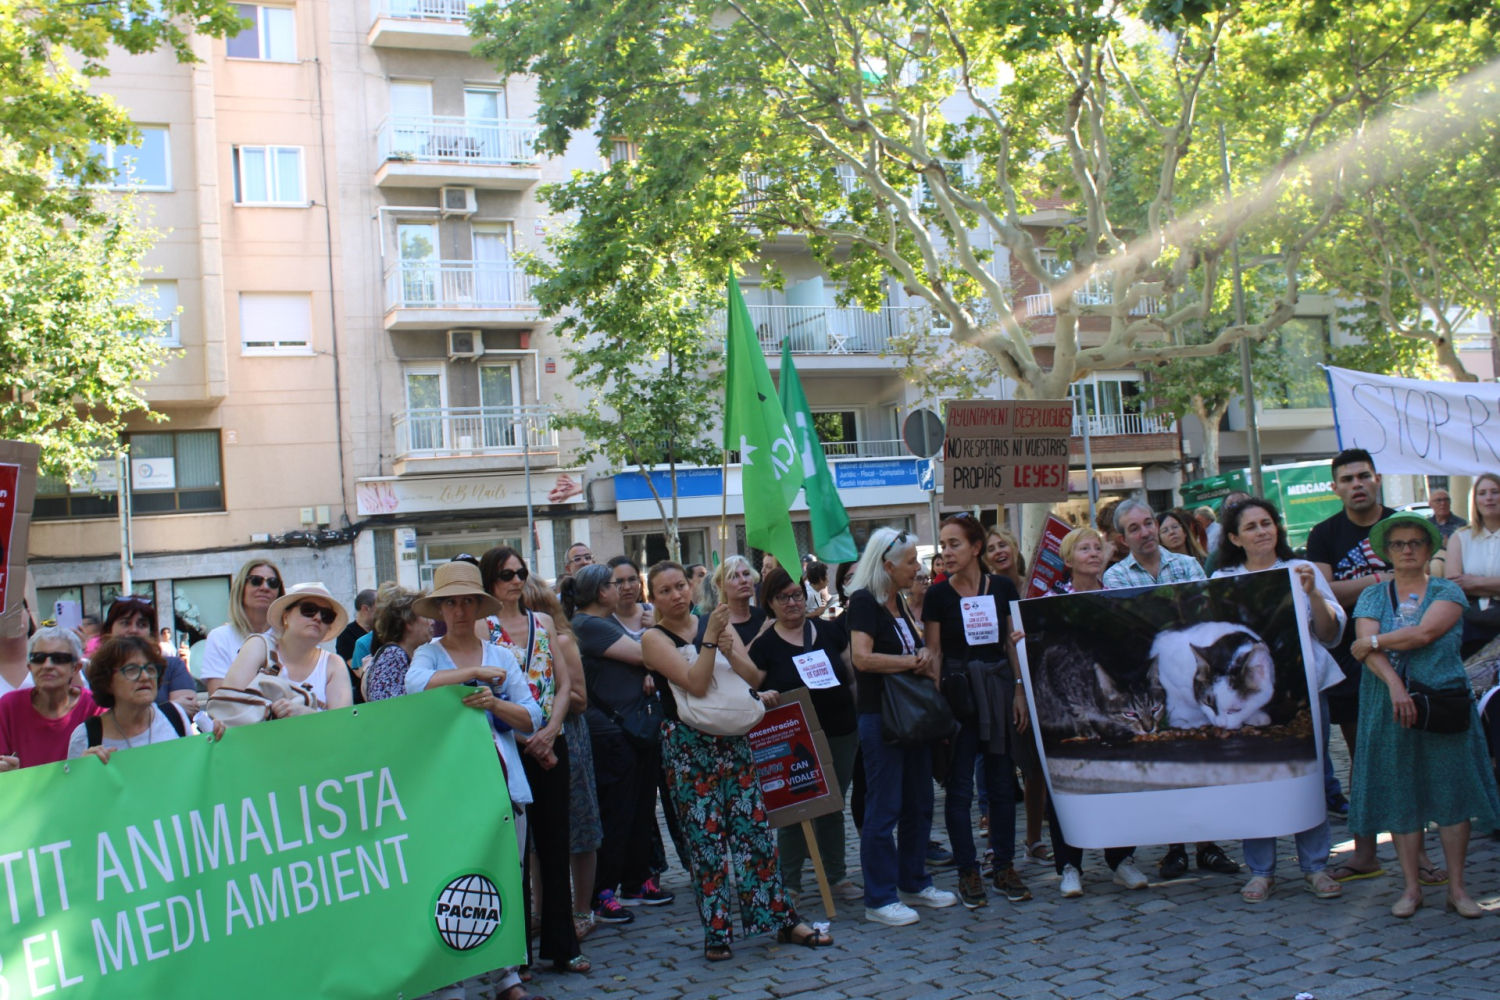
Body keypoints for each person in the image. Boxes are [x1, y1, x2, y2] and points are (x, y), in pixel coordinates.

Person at [641, 561, 831, 960]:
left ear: (690, 588)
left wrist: (728, 646)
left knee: (753, 832)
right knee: (706, 841)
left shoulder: (714, 621)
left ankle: (781, 918)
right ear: (653, 598)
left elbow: (751, 678)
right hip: (689, 747)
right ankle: (717, 932)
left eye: (680, 586)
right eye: (665, 591)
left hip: (733, 740)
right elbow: (695, 683)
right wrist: (711, 641)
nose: (676, 595)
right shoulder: (654, 639)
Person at [1347, 513, 1500, 918]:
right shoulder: (1373, 596)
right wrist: (1395, 686)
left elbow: (1423, 634)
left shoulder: (1448, 590)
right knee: (1402, 794)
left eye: (1415, 542)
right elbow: (1367, 654)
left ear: (1429, 549)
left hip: (1443, 701)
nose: (1407, 550)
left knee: (1452, 794)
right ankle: (1411, 888)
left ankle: (1458, 889)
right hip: (1388, 705)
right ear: (1387, 551)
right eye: (1399, 544)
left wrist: (1374, 640)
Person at [404, 560, 544, 1000]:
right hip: (450, 786)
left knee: (508, 873)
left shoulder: (500, 656)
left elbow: (532, 716)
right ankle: (453, 980)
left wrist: (494, 704)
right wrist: (471, 676)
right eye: (451, 602)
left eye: (468, 601)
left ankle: (507, 976)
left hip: (502, 780)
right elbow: (414, 686)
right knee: (451, 877)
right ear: (440, 610)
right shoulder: (429, 654)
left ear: (479, 607)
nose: (460, 610)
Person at [1306, 449, 1442, 882]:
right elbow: (1326, 593)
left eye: (1363, 476)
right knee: (1362, 757)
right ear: (1335, 488)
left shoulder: (1404, 524)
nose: (1357, 485)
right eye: (1347, 479)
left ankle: (1420, 857)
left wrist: (1362, 587)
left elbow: (1425, 582)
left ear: (1377, 479)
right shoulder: (1324, 534)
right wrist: (1382, 579)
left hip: (1411, 655)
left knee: (1411, 758)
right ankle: (1364, 853)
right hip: (1351, 658)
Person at [1212, 499, 1346, 903]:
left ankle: (1315, 866)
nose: (1261, 531)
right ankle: (1261, 870)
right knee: (1254, 777)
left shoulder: (1301, 570)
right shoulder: (1223, 579)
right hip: (1248, 700)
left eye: (1266, 523)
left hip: (1305, 690)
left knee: (1310, 773)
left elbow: (1329, 633)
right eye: (1251, 527)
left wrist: (1314, 594)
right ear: (1235, 538)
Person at [1100, 499, 1235, 879]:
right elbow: (1130, 630)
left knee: (1200, 758)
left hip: (1193, 675)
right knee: (1168, 763)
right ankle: (1175, 847)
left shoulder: (1188, 565)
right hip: (1155, 683)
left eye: (1148, 523)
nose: (1145, 532)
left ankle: (1208, 845)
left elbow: (1202, 616)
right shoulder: (1116, 578)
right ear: (1122, 538)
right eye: (1135, 528)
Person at [479, 546, 590, 975]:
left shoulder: (541, 621)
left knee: (555, 844)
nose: (515, 581)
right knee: (515, 854)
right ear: (490, 580)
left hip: (550, 743)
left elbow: (564, 685)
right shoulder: (482, 627)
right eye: (506, 574)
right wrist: (528, 737)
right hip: (509, 747)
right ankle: (517, 952)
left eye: (521, 572)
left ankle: (563, 946)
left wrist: (550, 730)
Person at [847, 527, 958, 926]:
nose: (918, 568)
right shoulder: (864, 601)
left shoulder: (899, 603)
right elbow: (862, 658)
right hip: (882, 717)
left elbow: (911, 649)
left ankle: (914, 881)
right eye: (911, 562)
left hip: (910, 718)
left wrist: (923, 653)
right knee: (885, 806)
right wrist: (912, 661)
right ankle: (879, 898)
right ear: (887, 565)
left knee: (919, 802)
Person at [1031, 527, 1150, 895]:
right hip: (1064, 707)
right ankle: (1070, 865)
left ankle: (1121, 859)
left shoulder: (1115, 597)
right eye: (1084, 548)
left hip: (1111, 705)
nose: (1093, 554)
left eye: (1097, 548)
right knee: (1067, 785)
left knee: (1117, 781)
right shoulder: (1048, 602)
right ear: (1068, 560)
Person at [924, 515, 1029, 908]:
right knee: (959, 790)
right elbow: (934, 654)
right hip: (959, 697)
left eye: (954, 544)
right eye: (943, 545)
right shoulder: (938, 595)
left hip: (998, 693)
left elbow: (1011, 643)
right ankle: (967, 870)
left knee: (1001, 784)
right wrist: (938, 708)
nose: (947, 552)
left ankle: (1003, 865)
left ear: (976, 547)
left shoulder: (1002, 587)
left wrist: (1018, 690)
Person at [747, 565, 860, 902]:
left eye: (796, 595)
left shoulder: (829, 631)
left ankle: (837, 876)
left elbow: (851, 676)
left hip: (840, 730)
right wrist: (761, 696)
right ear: (770, 603)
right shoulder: (765, 645)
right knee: (796, 808)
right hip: (792, 739)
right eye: (783, 597)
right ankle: (791, 883)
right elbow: (750, 688)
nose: (792, 602)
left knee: (832, 804)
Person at [562, 563, 657, 927]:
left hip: (625, 729)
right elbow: (647, 654)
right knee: (615, 813)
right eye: (616, 583)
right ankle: (602, 893)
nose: (623, 589)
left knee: (634, 811)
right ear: (602, 592)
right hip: (609, 734)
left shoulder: (599, 623)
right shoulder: (589, 625)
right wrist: (655, 634)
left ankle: (632, 882)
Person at [524, 576, 604, 945]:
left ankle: (582, 909)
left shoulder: (563, 641)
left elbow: (581, 700)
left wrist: (544, 689)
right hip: (530, 739)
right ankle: (542, 910)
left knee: (579, 824)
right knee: (538, 833)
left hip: (568, 737)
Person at [68, 636, 224, 762]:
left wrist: (216, 742)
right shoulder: (87, 736)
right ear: (107, 681)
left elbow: (196, 774)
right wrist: (85, 771)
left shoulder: (175, 716)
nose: (145, 677)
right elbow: (75, 791)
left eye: (150, 669)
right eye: (131, 670)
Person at [221, 583, 354, 714]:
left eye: (327, 615)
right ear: (286, 616)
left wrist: (305, 714)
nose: (318, 618)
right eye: (308, 609)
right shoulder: (259, 647)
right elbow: (228, 705)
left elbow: (343, 722)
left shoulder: (333, 664)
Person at [0, 626, 101, 771]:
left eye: (59, 659)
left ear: (76, 668)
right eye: (38, 658)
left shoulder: (94, 707)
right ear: (30, 666)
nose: (47, 665)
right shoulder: (8, 706)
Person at [200, 558, 285, 694]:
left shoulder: (290, 637)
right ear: (241, 588)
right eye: (256, 581)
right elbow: (219, 698)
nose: (265, 587)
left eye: (273, 583)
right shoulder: (220, 637)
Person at [1437, 472, 1500, 656]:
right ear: (1475, 500)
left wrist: (1474, 582)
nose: (1489, 498)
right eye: (1482, 493)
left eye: (1495, 492)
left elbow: (1465, 584)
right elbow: (1454, 585)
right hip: (1471, 625)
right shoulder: (1461, 537)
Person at [100, 595, 196, 709]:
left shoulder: (172, 667)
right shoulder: (99, 669)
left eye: (142, 624)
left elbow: (187, 710)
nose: (134, 630)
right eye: (125, 623)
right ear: (109, 629)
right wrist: (171, 708)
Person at [360, 585, 431, 702]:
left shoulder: (402, 655)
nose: (432, 622)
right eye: (425, 616)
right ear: (409, 621)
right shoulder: (393, 656)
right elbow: (388, 707)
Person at [710, 555, 765, 647]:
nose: (743, 580)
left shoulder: (763, 616)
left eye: (746, 574)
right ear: (720, 584)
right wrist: (762, 633)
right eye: (734, 576)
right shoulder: (716, 623)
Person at [336, 588, 376, 704]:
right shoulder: (346, 635)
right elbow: (359, 672)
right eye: (380, 606)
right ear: (365, 608)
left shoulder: (381, 631)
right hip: (361, 700)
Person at [608, 556, 654, 639]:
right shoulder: (603, 622)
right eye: (619, 581)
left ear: (639, 581)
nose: (627, 587)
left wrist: (659, 627)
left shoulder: (655, 611)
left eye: (632, 579)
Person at [985, 527, 1027, 595]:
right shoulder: (985, 591)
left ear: (1015, 548)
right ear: (986, 559)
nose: (998, 551)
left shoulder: (1031, 585)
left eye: (1002, 545)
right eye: (991, 549)